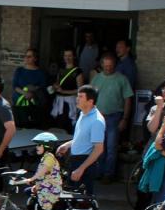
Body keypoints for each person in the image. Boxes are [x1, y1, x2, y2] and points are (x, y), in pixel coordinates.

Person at [88, 53, 134, 183]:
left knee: (111, 147)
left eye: (110, 66)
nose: (108, 68)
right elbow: (90, 97)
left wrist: (125, 118)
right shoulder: (96, 78)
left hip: (114, 117)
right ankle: (98, 172)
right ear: (102, 65)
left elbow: (128, 99)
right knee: (98, 146)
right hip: (98, 117)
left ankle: (108, 174)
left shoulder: (122, 79)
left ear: (114, 66)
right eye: (106, 65)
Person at [56, 85, 106, 195]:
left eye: (81, 97)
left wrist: (81, 168)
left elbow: (99, 149)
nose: (77, 99)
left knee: (82, 203)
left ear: (90, 101)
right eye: (77, 96)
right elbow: (81, 138)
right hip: (75, 161)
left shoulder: (96, 121)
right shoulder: (82, 114)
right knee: (70, 200)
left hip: (84, 164)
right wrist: (68, 145)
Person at [18, 132, 62, 210]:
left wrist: (31, 179)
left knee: (44, 207)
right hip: (45, 187)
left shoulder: (49, 157)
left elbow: (42, 171)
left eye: (39, 144)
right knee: (28, 193)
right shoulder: (45, 157)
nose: (36, 147)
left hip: (51, 189)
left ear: (46, 145)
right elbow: (43, 177)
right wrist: (36, 185)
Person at [12, 49, 49, 128]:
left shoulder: (40, 73)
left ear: (35, 59)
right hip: (19, 104)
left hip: (34, 105)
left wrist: (33, 90)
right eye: (25, 56)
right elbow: (15, 86)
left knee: (32, 126)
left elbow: (43, 86)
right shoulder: (19, 71)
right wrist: (25, 93)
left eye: (29, 56)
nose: (26, 58)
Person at [51, 49, 85, 128]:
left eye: (69, 55)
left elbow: (81, 90)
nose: (67, 58)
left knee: (68, 126)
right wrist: (55, 86)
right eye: (65, 55)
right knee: (59, 125)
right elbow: (58, 83)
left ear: (74, 57)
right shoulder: (60, 70)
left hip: (70, 103)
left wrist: (64, 91)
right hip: (59, 101)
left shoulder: (78, 71)